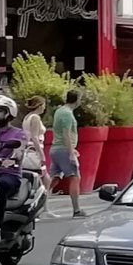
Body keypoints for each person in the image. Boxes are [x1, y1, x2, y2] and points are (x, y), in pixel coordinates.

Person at [0, 95, 27, 241]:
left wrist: (13, 158)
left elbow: (19, 150)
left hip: (8, 174)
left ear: (9, 114)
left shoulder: (18, 133)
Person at [50, 88, 85, 218]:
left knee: (54, 179)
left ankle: (40, 205)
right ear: (77, 100)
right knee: (75, 177)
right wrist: (71, 153)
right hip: (64, 150)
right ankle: (77, 210)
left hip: (56, 149)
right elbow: (66, 134)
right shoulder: (67, 114)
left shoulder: (59, 111)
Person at [21, 96, 47, 176]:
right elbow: (34, 137)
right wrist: (41, 154)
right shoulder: (35, 117)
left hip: (28, 147)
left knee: (40, 175)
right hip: (35, 149)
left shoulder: (27, 117)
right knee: (43, 174)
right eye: (44, 105)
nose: (44, 108)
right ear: (39, 105)